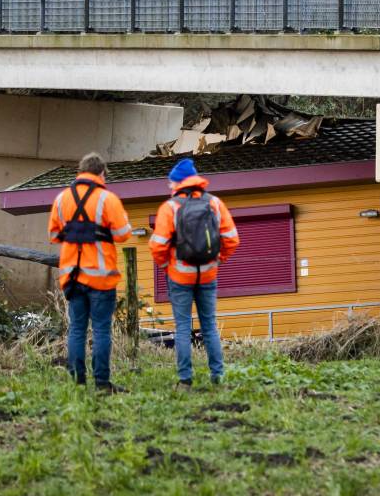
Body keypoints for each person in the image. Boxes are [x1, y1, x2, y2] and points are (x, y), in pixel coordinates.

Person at [148, 158, 239, 390]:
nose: (169, 186)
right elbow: (231, 239)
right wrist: (218, 260)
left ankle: (185, 380)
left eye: (171, 182)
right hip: (208, 274)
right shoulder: (215, 203)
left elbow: (157, 246)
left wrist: (166, 265)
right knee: (209, 326)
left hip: (179, 276)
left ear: (178, 182)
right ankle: (218, 377)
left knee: (182, 328)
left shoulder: (170, 207)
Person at [49, 151, 132, 393]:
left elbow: (54, 235)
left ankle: (77, 382)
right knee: (101, 330)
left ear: (80, 171)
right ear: (101, 173)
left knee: (76, 329)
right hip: (101, 277)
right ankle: (102, 383)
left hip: (73, 277)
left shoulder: (62, 198)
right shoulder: (108, 199)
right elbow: (123, 234)